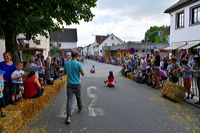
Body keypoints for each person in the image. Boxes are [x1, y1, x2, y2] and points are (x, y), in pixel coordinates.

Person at [64, 51, 84, 124]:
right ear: (77, 56)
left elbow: (64, 73)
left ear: (71, 55)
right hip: (77, 84)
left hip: (69, 84)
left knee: (69, 100)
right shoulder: (78, 64)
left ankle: (68, 117)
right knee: (78, 97)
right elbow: (83, 74)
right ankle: (80, 107)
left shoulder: (66, 63)